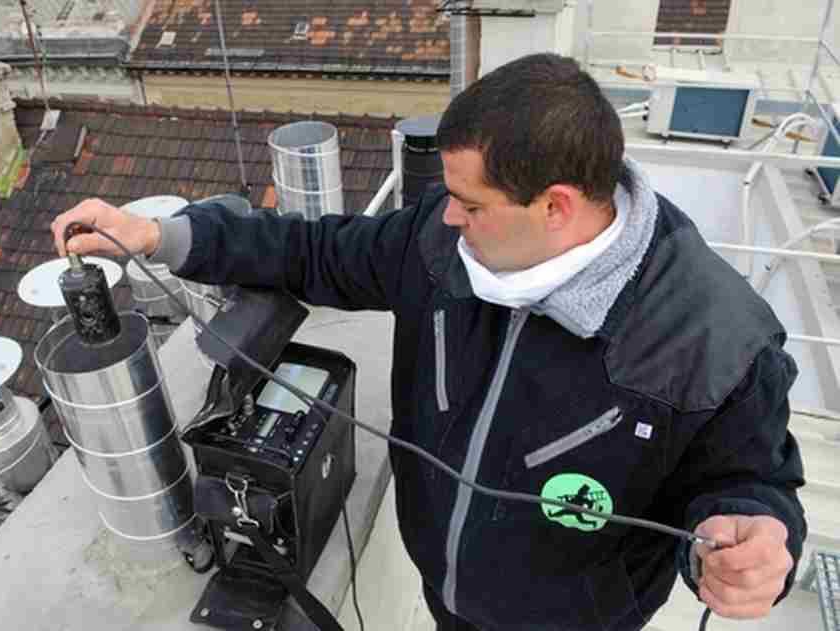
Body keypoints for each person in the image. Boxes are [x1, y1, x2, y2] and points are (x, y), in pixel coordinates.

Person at [52, 53, 806, 631]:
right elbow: (315, 252)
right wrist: (160, 236)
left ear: (555, 207)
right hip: (445, 596)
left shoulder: (716, 338)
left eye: (471, 205)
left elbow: (752, 481)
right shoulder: (442, 243)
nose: (447, 217)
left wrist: (754, 534)